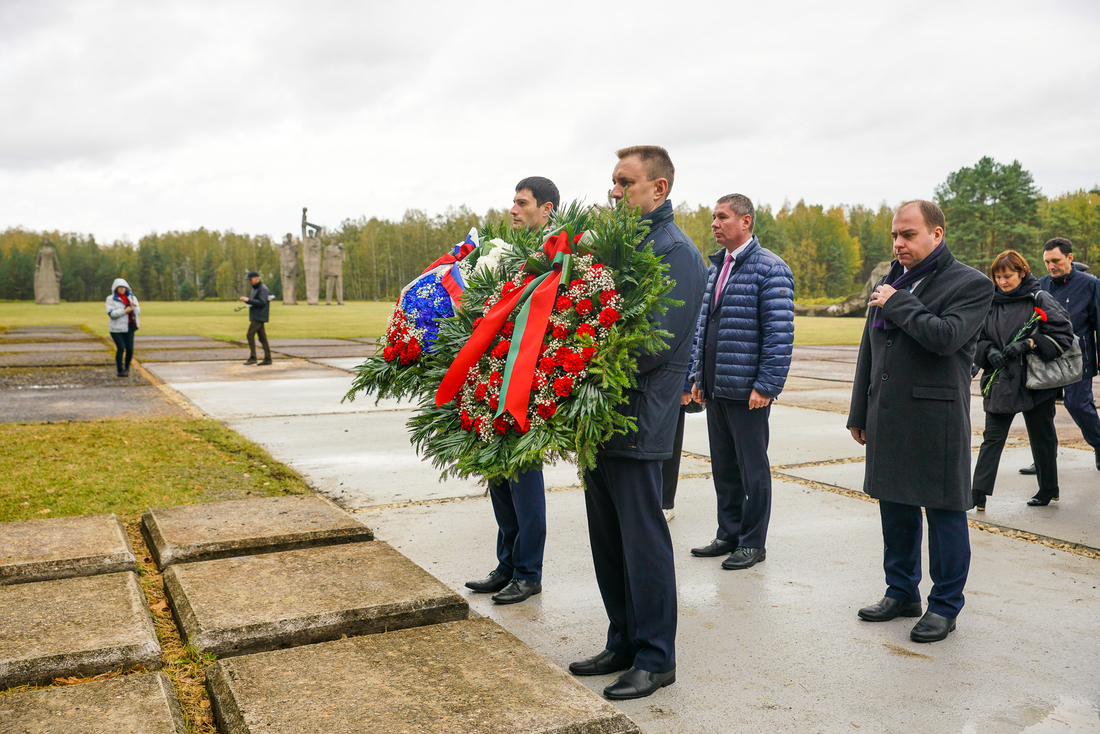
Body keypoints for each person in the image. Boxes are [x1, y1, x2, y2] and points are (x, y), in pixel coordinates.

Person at [568, 146, 706, 700]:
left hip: (640, 416)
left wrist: (574, 351)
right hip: (600, 416)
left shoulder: (674, 252)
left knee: (643, 541)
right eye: (613, 183)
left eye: (626, 183)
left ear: (659, 189)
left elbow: (651, 343)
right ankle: (622, 638)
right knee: (608, 539)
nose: (616, 193)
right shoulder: (620, 246)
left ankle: (655, 656)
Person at [847, 200, 993, 644]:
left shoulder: (971, 284)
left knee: (945, 514)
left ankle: (945, 606)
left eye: (908, 235)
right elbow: (868, 351)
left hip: (936, 420)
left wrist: (899, 303)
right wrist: (859, 410)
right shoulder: (891, 279)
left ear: (937, 234)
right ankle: (901, 592)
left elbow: (946, 337)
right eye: (895, 235)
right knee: (895, 508)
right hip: (887, 415)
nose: (898, 243)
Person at [465, 176, 559, 605]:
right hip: (494, 381)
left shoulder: (559, 256)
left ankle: (528, 572)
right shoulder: (507, 256)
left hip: (527, 388)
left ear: (547, 209)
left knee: (523, 480)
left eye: (522, 203)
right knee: (499, 480)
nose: (513, 210)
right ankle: (506, 564)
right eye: (513, 202)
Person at [689, 194, 794, 569]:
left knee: (752, 469)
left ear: (746, 222)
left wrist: (766, 385)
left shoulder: (770, 268)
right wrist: (697, 377)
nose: (715, 223)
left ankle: (753, 542)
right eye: (713, 217)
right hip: (716, 387)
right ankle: (728, 533)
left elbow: (779, 334)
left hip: (748, 391)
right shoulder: (717, 267)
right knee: (725, 467)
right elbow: (703, 327)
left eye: (722, 217)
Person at [972, 251, 1074, 509]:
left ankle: (1048, 489)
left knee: (1042, 437)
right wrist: (988, 351)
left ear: (1022, 273)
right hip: (1001, 381)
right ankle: (977, 494)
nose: (1002, 282)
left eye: (1007, 276)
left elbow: (1063, 334)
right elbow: (977, 336)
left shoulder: (1039, 298)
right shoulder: (989, 301)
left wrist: (1029, 343)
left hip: (1035, 383)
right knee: (992, 437)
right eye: (998, 276)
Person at [1019, 238, 1100, 474]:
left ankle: (1098, 444)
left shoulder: (1090, 284)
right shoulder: (1040, 285)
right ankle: (1045, 458)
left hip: (1078, 357)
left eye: (1055, 260)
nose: (1050, 266)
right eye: (1046, 262)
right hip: (1046, 356)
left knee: (1077, 404)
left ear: (1070, 258)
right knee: (1041, 411)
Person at [106, 277, 140, 377]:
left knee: (130, 349)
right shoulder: (111, 299)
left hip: (129, 326)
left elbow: (138, 312)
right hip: (116, 328)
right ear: (116, 288)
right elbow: (111, 313)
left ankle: (127, 368)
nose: (122, 289)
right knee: (121, 348)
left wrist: (134, 306)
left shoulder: (132, 297)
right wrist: (124, 311)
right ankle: (120, 370)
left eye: (123, 287)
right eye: (119, 287)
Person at [239, 271, 272, 365]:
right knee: (262, 338)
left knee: (250, 334)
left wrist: (248, 300)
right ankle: (268, 358)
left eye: (251, 279)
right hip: (257, 315)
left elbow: (262, 303)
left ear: (256, 278)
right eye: (248, 280)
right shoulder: (256, 289)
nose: (249, 281)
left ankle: (253, 357)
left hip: (260, 316)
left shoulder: (262, 289)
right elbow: (255, 302)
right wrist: (248, 301)